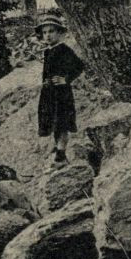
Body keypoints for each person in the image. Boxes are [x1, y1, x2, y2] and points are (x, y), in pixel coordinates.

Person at [36, 11, 85, 164]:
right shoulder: (48, 51)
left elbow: (79, 66)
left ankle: (61, 152)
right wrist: (44, 82)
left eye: (51, 31)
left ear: (60, 33)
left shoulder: (64, 50)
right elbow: (47, 71)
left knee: (62, 122)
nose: (47, 35)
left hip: (61, 93)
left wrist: (66, 79)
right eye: (44, 32)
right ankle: (58, 149)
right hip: (49, 93)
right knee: (52, 121)